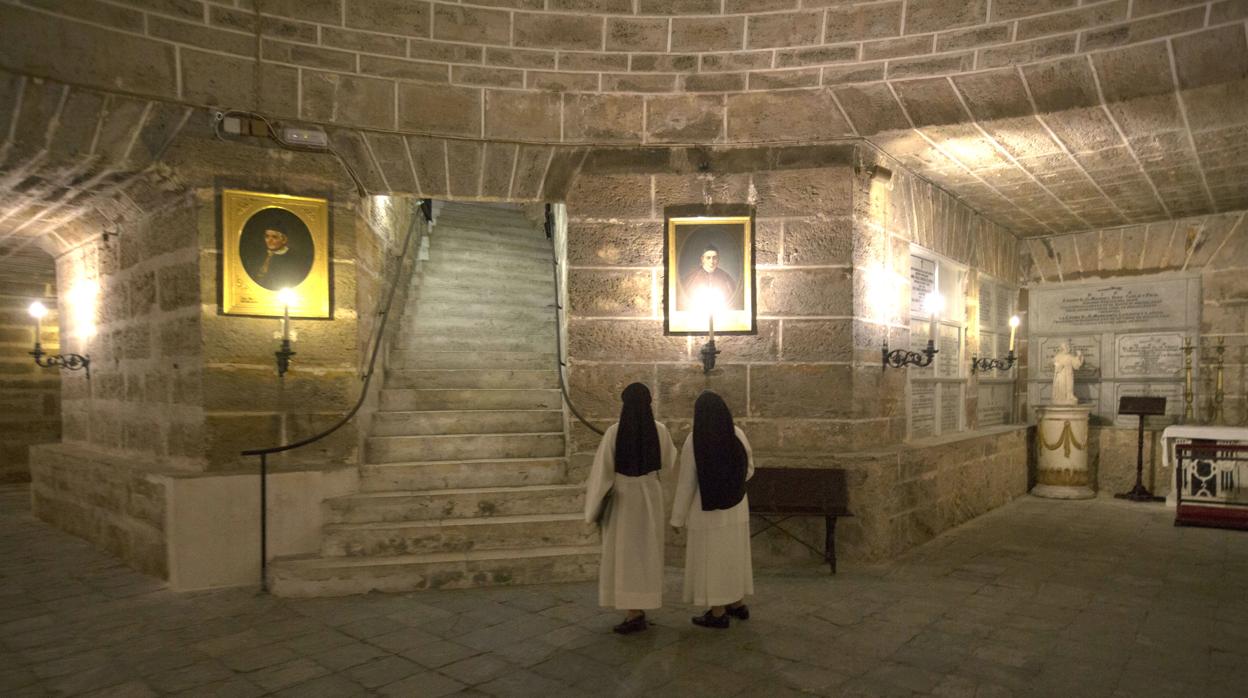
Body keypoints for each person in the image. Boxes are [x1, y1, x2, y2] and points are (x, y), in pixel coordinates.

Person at [583, 383, 677, 634]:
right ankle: (642, 605)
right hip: (651, 495)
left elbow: (602, 473)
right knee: (647, 553)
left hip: (624, 499)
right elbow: (669, 462)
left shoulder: (615, 432)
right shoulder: (660, 431)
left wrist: (592, 510)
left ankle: (633, 613)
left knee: (626, 556)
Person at [671, 391, 754, 628]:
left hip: (706, 511)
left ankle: (717, 613)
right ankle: (737, 603)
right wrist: (732, 484)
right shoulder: (737, 434)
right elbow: (750, 469)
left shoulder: (694, 439)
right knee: (734, 557)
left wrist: (677, 518)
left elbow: (687, 482)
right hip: (737, 507)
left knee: (713, 562)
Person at [681, 244, 739, 311]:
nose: (711, 261)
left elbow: (733, 303)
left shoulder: (726, 278)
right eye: (708, 258)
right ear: (702, 259)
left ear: (718, 259)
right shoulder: (691, 278)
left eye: (714, 258)